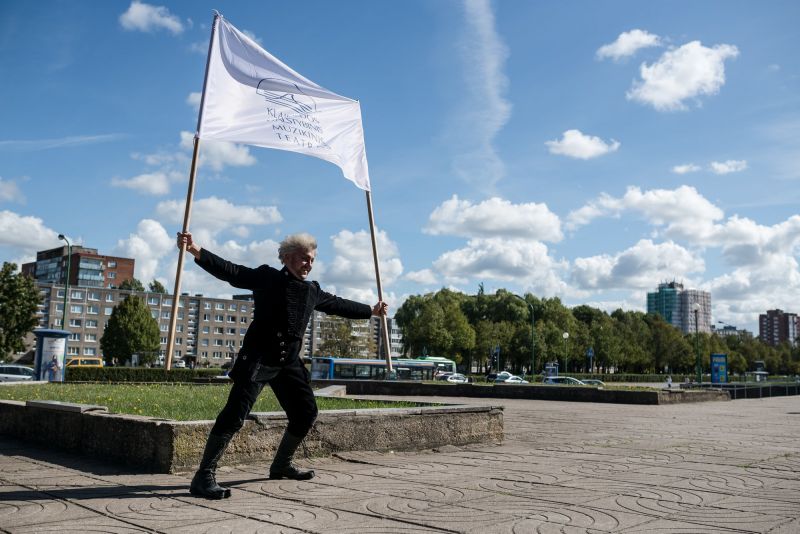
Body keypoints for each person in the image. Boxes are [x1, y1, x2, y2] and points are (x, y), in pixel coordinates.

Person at [177, 231, 388, 500]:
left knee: (305, 412)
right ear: (287, 257)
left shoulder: (313, 290)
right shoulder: (268, 278)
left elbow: (338, 304)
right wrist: (195, 249)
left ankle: (281, 465)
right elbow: (233, 271)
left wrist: (371, 310)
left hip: (288, 364)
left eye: (311, 260)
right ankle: (203, 477)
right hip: (259, 359)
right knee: (234, 416)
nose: (308, 264)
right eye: (303, 259)